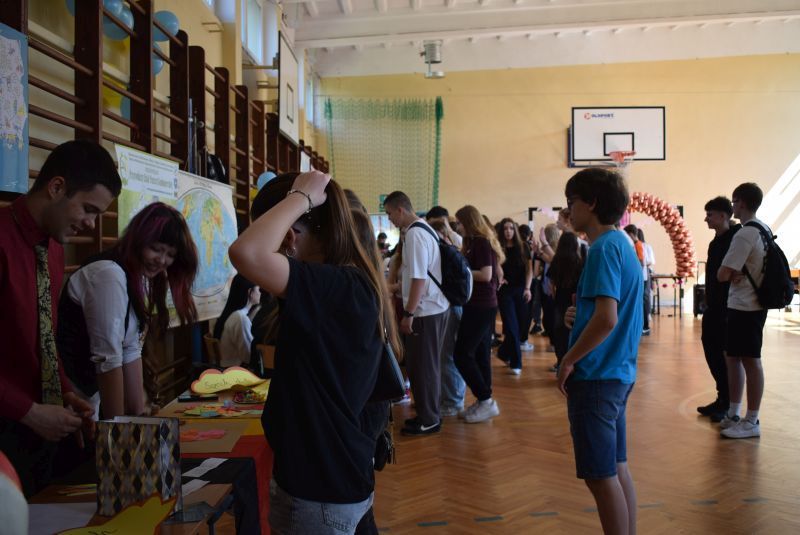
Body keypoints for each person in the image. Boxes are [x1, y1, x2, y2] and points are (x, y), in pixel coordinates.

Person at [229, 171, 400, 534]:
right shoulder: (340, 284)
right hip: (336, 477)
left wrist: (300, 198)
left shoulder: (335, 287)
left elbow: (247, 253)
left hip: (319, 488)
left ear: (290, 236)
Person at [0, 139, 120, 497]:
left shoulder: (52, 249)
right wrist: (28, 411)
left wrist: (66, 391)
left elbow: (44, 337)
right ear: (56, 187)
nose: (91, 224)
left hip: (38, 430)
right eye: (88, 209)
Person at [557, 167, 643, 535]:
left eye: (571, 201)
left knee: (601, 477)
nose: (568, 210)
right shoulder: (621, 243)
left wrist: (569, 358)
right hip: (616, 373)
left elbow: (607, 319)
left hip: (596, 377)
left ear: (591, 203)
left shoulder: (603, 248)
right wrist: (579, 315)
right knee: (617, 469)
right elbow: (606, 312)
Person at [58, 202, 198, 420]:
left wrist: (138, 417)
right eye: (156, 249)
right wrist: (119, 428)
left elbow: (131, 348)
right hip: (71, 400)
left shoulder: (133, 276)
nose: (162, 260)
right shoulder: (108, 274)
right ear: (138, 240)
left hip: (89, 400)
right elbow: (109, 359)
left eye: (170, 254)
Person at [383, 191, 449, 436]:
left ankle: (429, 419)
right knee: (423, 366)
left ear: (401, 210)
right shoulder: (422, 229)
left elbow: (419, 278)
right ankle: (426, 413)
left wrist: (409, 313)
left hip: (425, 312)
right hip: (431, 308)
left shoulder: (414, 234)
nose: (390, 219)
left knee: (424, 368)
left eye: (390, 213)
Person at [717, 182, 768, 439]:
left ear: (743, 203)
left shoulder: (745, 233)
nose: (733, 206)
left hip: (746, 305)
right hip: (748, 304)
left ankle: (751, 420)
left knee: (750, 360)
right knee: (734, 357)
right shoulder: (764, 229)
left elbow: (722, 274)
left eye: (734, 201)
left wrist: (729, 272)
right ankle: (734, 413)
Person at [453, 205, 505, 423]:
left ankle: (485, 398)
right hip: (479, 304)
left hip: (481, 306)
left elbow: (486, 274)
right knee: (481, 354)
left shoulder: (482, 242)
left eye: (459, 222)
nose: (457, 227)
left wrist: (461, 271)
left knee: (462, 354)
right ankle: (485, 401)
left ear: (469, 221)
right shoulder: (475, 242)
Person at [696, 196, 740, 422]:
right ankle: (722, 397)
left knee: (727, 356)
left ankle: (730, 404)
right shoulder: (715, 242)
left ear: (723, 215)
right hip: (713, 307)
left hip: (730, 307)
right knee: (711, 350)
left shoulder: (737, 237)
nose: (706, 219)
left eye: (710, 215)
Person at [496, 218, 533, 374]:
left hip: (521, 290)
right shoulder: (498, 247)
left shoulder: (523, 247)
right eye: (505, 228)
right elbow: (495, 264)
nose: (508, 231)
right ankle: (516, 363)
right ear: (502, 231)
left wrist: (528, 288)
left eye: (511, 228)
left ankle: (503, 352)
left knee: (521, 326)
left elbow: (529, 270)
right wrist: (500, 276)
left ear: (515, 230)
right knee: (511, 326)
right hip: (505, 291)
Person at [546, 231, 584, 368]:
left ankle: (560, 361)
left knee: (559, 332)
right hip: (575, 301)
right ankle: (573, 361)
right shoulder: (579, 261)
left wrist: (554, 294)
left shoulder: (557, 260)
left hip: (560, 301)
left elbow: (551, 282)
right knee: (574, 331)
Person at [214, 274, 261, 368]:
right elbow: (248, 356)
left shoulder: (233, 314)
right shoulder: (240, 318)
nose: (260, 293)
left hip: (228, 368)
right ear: (250, 292)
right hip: (236, 371)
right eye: (258, 289)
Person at [624, 224, 650, 336]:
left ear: (631, 234)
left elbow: (641, 262)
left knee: (641, 302)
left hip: (641, 278)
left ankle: (644, 326)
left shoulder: (638, 245)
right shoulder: (635, 244)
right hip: (640, 277)